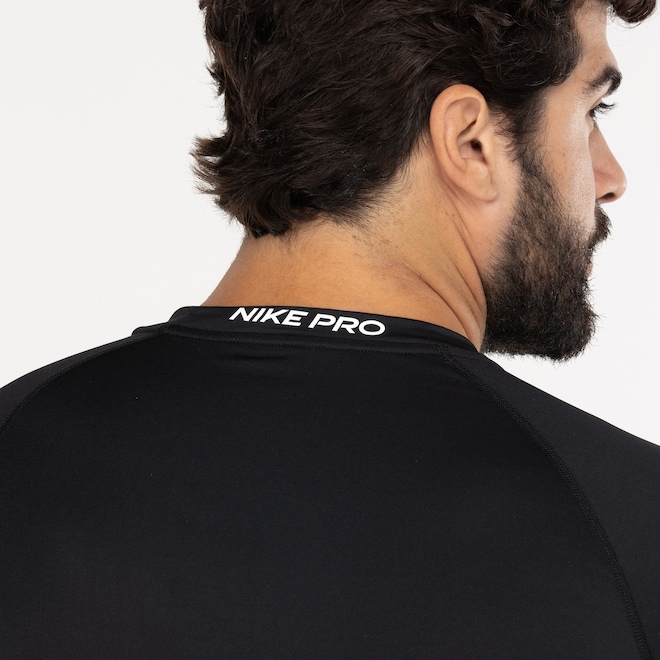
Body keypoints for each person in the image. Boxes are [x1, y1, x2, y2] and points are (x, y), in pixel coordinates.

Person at [1, 0, 658, 657]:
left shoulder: (18, 448)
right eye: (591, 111)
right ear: (471, 142)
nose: (611, 178)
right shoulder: (630, 529)